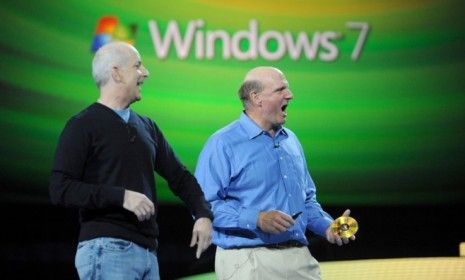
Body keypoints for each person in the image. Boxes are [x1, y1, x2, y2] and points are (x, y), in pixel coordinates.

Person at [49, 41, 213, 279]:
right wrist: (121, 196)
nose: (145, 72)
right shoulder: (82, 124)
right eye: (138, 66)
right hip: (106, 249)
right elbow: (60, 189)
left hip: (148, 253)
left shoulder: (148, 127)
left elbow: (180, 177)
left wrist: (203, 214)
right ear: (115, 72)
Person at [195, 66, 355, 280]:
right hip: (248, 260)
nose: (290, 95)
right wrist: (257, 219)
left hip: (299, 257)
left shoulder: (291, 140)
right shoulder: (223, 143)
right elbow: (204, 206)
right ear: (256, 98)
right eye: (281, 90)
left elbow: (306, 200)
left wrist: (327, 228)